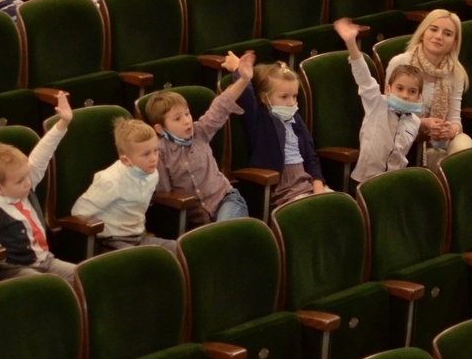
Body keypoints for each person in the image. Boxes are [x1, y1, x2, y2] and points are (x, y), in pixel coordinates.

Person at [0, 92, 75, 280]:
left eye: (27, 176)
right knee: (46, 285)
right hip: (14, 268)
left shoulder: (26, 182)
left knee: (81, 276)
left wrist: (63, 122)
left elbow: (42, 153)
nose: (28, 182)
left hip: (45, 261)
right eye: (20, 181)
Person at [146, 51, 253, 225]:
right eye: (177, 118)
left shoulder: (200, 131)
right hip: (193, 217)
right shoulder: (159, 151)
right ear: (160, 128)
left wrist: (244, 79)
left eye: (187, 114)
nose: (186, 121)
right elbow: (164, 194)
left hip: (225, 200)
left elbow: (221, 106)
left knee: (224, 232)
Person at [336, 19, 422, 184]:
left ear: (418, 96)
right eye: (400, 88)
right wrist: (351, 43)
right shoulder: (377, 103)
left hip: (394, 181)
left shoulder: (415, 122)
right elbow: (363, 76)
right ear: (388, 89)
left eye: (412, 91)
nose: (405, 95)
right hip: (365, 180)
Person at [386, 9, 472, 168]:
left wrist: (451, 130)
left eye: (447, 34)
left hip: (438, 144)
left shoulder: (456, 72)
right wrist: (421, 123)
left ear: (454, 43)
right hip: (403, 142)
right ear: (422, 33)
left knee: (463, 143)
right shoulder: (401, 63)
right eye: (433, 29)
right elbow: (387, 113)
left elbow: (455, 119)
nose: (439, 36)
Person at [72, 117, 176, 251]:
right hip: (111, 241)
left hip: (139, 237)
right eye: (146, 154)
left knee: (179, 249)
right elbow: (79, 212)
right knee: (144, 259)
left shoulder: (152, 173)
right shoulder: (110, 180)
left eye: (155, 151)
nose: (154, 158)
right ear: (126, 161)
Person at [237, 60, 327, 205]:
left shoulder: (295, 119)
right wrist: (239, 70)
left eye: (294, 96)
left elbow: (311, 157)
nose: (291, 103)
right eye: (284, 97)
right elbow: (245, 95)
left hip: (307, 186)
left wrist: (318, 187)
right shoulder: (260, 120)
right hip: (282, 192)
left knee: (337, 206)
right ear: (264, 98)